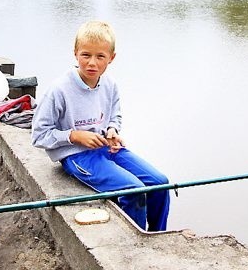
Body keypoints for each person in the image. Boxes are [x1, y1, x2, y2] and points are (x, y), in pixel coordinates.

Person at [31, 20, 170, 231]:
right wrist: (74, 136)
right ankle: (136, 240)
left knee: (161, 183)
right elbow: (39, 136)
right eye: (86, 55)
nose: (92, 63)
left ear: (111, 58)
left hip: (107, 149)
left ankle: (158, 235)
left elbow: (115, 116)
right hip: (77, 156)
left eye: (100, 57)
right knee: (134, 190)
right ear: (75, 53)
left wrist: (112, 130)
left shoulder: (110, 85)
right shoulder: (59, 90)